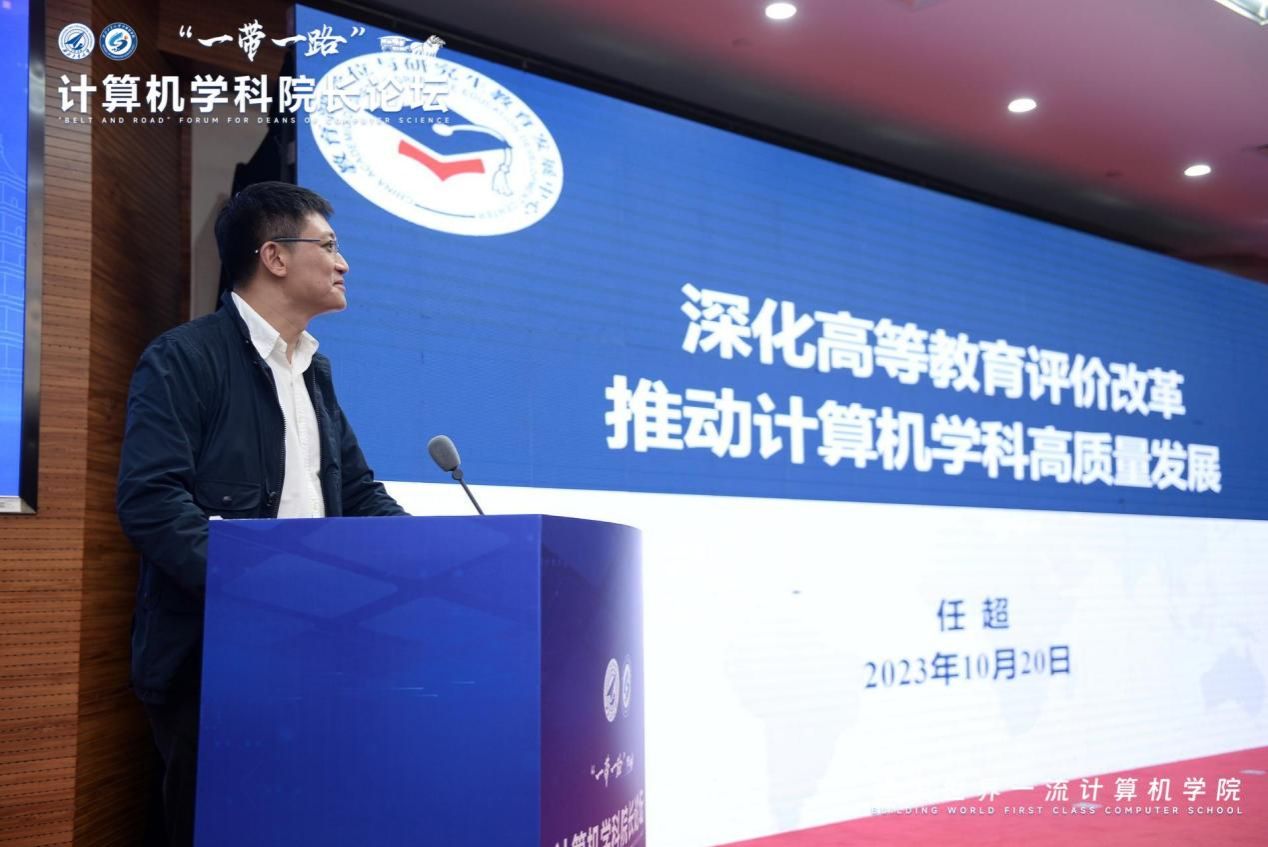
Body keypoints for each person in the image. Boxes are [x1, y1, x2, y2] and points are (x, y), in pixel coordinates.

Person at [116, 181, 407, 847]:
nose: (343, 263)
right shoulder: (185, 358)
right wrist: (263, 590)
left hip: (316, 648)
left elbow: (359, 493)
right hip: (212, 658)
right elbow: (152, 502)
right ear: (274, 257)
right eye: (328, 246)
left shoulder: (313, 370)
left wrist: (439, 554)